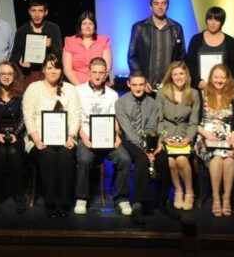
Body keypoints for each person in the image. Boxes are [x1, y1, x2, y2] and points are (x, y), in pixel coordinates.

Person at [22, 53, 80, 218]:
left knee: (64, 156)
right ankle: (51, 202)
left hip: (66, 139)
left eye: (57, 67)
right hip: (38, 139)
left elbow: (76, 116)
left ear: (61, 70)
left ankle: (64, 202)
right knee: (47, 156)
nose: (53, 71)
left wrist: (71, 136)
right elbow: (28, 117)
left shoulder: (70, 89)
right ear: (43, 70)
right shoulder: (33, 88)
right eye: (49, 67)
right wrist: (37, 139)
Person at [73, 57, 131, 216]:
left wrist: (117, 134)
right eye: (94, 72)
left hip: (107, 138)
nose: (97, 76)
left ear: (106, 74)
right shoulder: (78, 91)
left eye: (101, 73)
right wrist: (82, 135)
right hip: (86, 136)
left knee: (125, 158)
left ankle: (122, 199)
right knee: (84, 159)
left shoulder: (112, 94)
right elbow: (75, 117)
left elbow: (114, 118)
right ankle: (82, 198)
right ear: (89, 73)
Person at [115, 72, 170, 224]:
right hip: (129, 140)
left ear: (145, 85)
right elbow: (127, 130)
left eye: (141, 85)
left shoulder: (153, 103)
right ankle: (138, 205)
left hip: (149, 138)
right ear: (128, 84)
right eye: (134, 85)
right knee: (141, 159)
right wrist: (144, 150)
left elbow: (152, 127)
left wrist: (153, 147)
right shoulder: (120, 103)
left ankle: (164, 202)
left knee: (164, 158)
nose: (138, 88)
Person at [193, 64, 234, 217]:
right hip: (205, 135)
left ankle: (226, 199)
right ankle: (216, 199)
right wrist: (205, 134)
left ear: (227, 79)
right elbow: (193, 121)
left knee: (230, 160)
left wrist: (233, 139)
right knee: (217, 159)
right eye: (216, 77)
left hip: (229, 136)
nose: (219, 80)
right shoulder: (201, 94)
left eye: (222, 77)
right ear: (211, 78)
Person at [157, 61, 200, 211]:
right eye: (175, 74)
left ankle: (189, 192)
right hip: (167, 133)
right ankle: (178, 191)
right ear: (170, 76)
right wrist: (164, 137)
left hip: (184, 133)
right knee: (169, 160)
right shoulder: (162, 92)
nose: (178, 77)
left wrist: (188, 138)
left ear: (186, 75)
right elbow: (158, 119)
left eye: (181, 73)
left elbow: (194, 122)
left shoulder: (193, 93)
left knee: (181, 159)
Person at [127, 0, 186, 93]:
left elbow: (181, 57)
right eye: (156, 3)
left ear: (167, 6)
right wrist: (141, 80)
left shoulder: (176, 28)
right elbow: (132, 56)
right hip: (146, 86)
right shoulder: (139, 27)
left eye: (163, 3)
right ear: (150, 6)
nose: (160, 7)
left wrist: (176, 79)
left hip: (169, 86)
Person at [0, 61, 27, 213]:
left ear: (15, 76)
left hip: (17, 135)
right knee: (1, 152)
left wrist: (15, 134)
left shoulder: (21, 94)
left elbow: (24, 118)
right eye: (3, 74)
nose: (6, 77)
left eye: (10, 74)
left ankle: (19, 196)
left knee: (12, 152)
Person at [9, 0, 63, 86]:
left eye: (40, 11)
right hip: (28, 75)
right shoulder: (21, 31)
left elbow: (60, 54)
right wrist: (20, 61)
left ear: (46, 12)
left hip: (49, 74)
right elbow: (14, 55)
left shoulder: (54, 28)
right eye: (33, 10)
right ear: (29, 11)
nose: (37, 14)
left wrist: (51, 46)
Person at [185, 6, 234, 89]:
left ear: (222, 22)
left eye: (217, 20)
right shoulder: (196, 39)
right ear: (206, 20)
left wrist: (224, 81)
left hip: (222, 88)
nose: (213, 23)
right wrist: (198, 82)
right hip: (199, 88)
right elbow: (190, 63)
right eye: (210, 19)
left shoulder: (230, 41)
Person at [63, 11, 112, 86]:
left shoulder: (103, 40)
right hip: (76, 86)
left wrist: (96, 84)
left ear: (95, 26)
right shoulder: (70, 41)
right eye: (84, 24)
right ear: (80, 26)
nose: (88, 27)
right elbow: (67, 70)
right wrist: (80, 88)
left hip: (99, 85)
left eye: (91, 24)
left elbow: (107, 68)